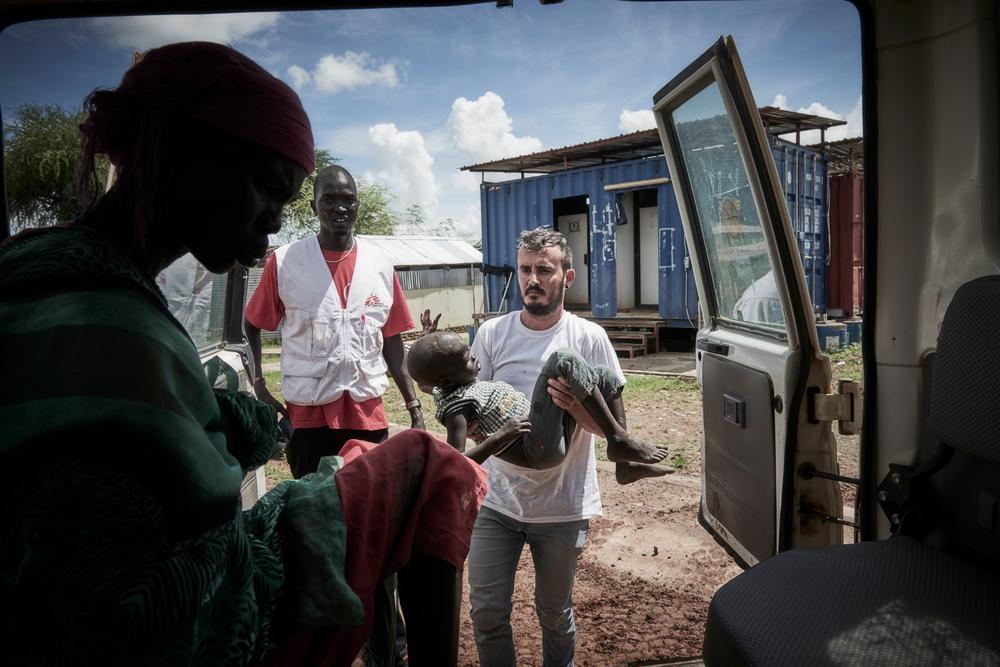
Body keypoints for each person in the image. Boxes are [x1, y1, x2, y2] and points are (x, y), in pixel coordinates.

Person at [0, 41, 485, 667]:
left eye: (291, 201)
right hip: (302, 431)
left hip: (363, 410)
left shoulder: (52, 280)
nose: (274, 220)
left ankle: (387, 647)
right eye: (266, 187)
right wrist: (260, 393)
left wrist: (408, 401)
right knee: (426, 468)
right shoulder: (121, 326)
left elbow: (392, 344)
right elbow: (184, 589)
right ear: (181, 153)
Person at [465, 227, 670, 666]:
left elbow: (609, 426)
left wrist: (576, 409)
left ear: (568, 276)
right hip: (497, 503)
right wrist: (488, 431)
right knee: (486, 613)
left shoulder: (589, 337)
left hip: (562, 506)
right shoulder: (492, 334)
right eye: (524, 269)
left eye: (543, 269)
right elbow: (469, 417)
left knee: (555, 614)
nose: (531, 279)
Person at [245, 165, 424, 480]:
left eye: (348, 199)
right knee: (313, 511)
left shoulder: (379, 264)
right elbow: (251, 324)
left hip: (367, 413)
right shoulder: (285, 262)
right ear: (314, 207)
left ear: (357, 205)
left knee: (368, 508)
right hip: (307, 417)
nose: (340, 207)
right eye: (328, 199)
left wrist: (414, 408)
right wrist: (259, 386)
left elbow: (392, 341)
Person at [408, 331, 669, 470]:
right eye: (465, 357)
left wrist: (427, 339)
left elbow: (428, 385)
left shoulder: (453, 388)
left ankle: (625, 463)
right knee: (562, 359)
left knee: (605, 375)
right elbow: (455, 463)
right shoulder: (457, 409)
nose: (474, 356)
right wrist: (499, 437)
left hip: (544, 433)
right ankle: (619, 440)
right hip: (535, 450)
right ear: (447, 381)